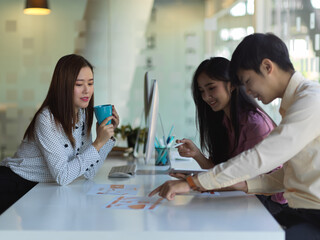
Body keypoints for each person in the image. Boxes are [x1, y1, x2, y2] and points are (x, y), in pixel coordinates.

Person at [149, 33, 320, 239]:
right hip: (298, 213)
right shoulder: (294, 104)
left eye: (248, 81)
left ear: (267, 67)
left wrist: (193, 183)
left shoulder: (311, 101)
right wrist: (241, 184)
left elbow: (262, 158)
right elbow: (287, 175)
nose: (246, 90)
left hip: (311, 217)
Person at [0, 54, 119, 214]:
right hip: (14, 185)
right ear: (64, 86)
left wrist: (107, 137)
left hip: (41, 188)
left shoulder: (82, 115)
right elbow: (63, 176)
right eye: (79, 84)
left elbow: (89, 171)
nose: (87, 90)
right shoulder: (46, 119)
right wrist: (97, 143)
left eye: (90, 83)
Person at [175, 57, 286, 209]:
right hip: (247, 198)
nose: (206, 97)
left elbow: (240, 181)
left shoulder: (254, 125)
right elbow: (225, 174)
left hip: (269, 204)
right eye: (201, 91)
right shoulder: (225, 121)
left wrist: (191, 182)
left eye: (211, 88)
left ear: (232, 84)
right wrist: (197, 155)